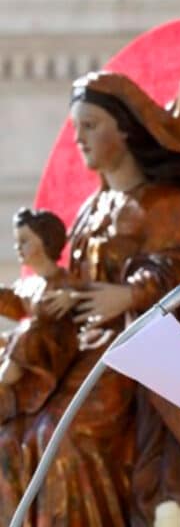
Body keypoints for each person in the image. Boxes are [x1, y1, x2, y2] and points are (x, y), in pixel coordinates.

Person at [8, 71, 180, 526]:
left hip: (132, 359)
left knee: (63, 438)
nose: (79, 140)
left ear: (125, 128)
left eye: (90, 126)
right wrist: (65, 298)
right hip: (78, 350)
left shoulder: (166, 205)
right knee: (10, 437)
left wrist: (131, 294)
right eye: (75, 129)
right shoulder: (92, 209)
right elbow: (76, 278)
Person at [0, 208, 80, 527]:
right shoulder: (31, 285)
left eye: (25, 241)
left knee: (28, 333)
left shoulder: (64, 283)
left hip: (52, 368)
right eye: (16, 241)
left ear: (45, 242)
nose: (18, 248)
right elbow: (11, 298)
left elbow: (82, 306)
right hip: (29, 370)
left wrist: (72, 297)